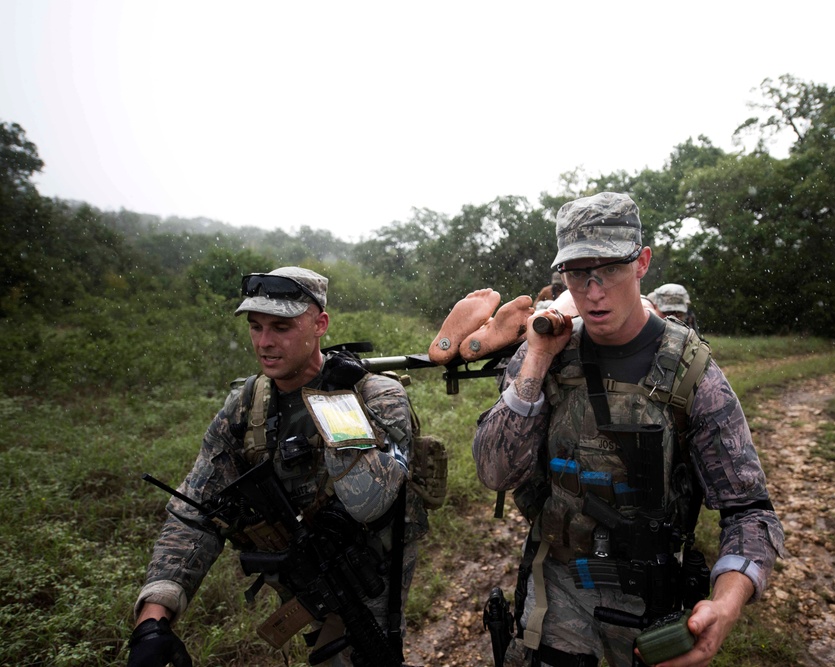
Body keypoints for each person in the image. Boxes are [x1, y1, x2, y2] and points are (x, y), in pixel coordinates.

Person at [472, 193, 785, 667]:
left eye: (610, 269)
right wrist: (536, 358)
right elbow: (495, 472)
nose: (593, 291)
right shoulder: (545, 355)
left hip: (650, 599)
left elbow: (749, 512)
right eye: (577, 273)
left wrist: (726, 604)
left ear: (642, 264)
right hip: (559, 589)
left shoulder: (691, 371)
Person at [128, 267, 424, 667]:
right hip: (300, 582)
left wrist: (334, 402)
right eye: (256, 327)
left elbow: (367, 502)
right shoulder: (246, 407)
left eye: (281, 327)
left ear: (320, 325)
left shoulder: (376, 395)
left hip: (370, 582)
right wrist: (154, 620)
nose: (264, 343)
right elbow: (195, 510)